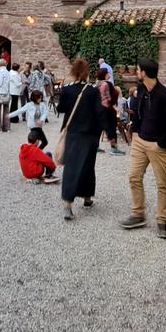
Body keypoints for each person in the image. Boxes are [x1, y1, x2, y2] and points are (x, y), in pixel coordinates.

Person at [119, 58, 166, 239]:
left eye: (138, 70)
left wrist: (161, 143)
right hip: (140, 142)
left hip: (158, 146)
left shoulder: (165, 95)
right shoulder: (140, 90)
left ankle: (162, 222)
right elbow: (139, 112)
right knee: (134, 177)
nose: (136, 72)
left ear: (144, 72)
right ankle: (138, 214)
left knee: (162, 184)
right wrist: (135, 132)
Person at [56, 59, 101, 221]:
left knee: (72, 167)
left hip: (73, 133)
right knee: (88, 165)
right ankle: (87, 197)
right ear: (87, 72)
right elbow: (99, 113)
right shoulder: (92, 91)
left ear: (73, 71)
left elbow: (60, 108)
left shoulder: (67, 90)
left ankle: (68, 204)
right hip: (90, 134)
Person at [95, 68, 125, 156]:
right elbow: (108, 99)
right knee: (111, 127)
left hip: (99, 108)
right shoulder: (106, 84)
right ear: (104, 74)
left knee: (100, 127)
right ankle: (113, 148)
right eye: (107, 73)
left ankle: (95, 146)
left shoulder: (97, 83)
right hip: (107, 108)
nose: (109, 74)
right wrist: (115, 108)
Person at [0, 59, 12, 132]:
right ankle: (7, 128)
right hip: (7, 93)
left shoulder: (0, 72)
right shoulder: (7, 72)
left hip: (0, 93)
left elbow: (0, 83)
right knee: (6, 111)